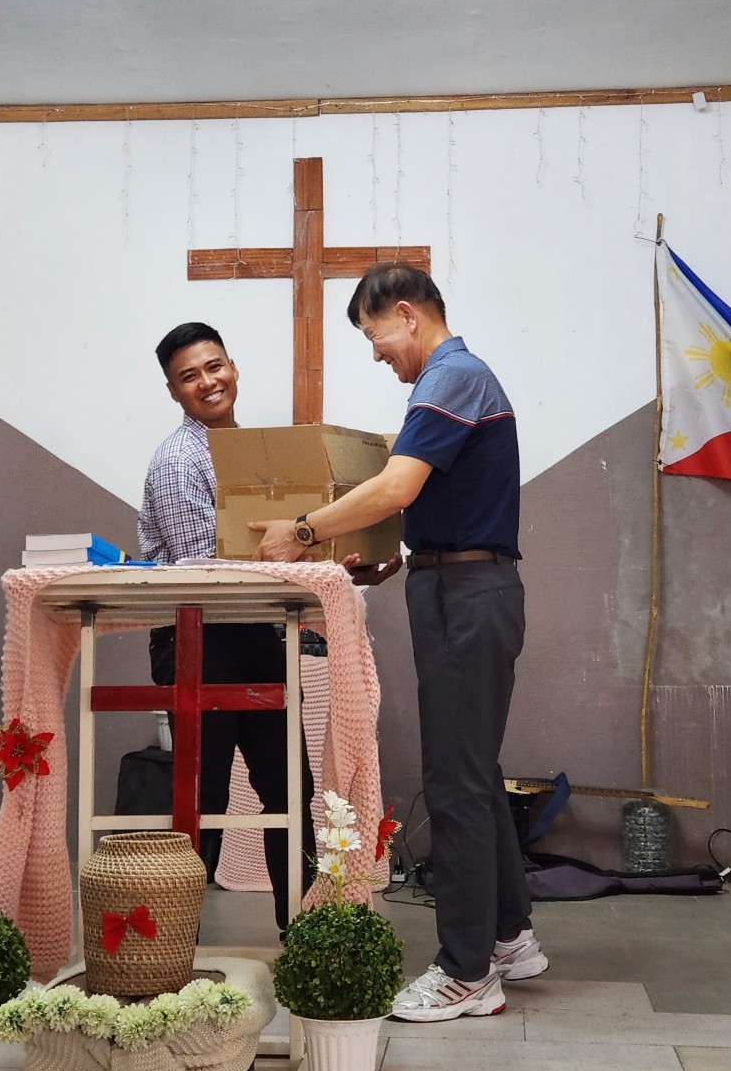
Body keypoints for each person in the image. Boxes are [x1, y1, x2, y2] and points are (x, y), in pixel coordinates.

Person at [251, 263, 547, 1021]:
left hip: (466, 597)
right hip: (454, 582)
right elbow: (435, 496)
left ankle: (467, 972)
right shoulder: (455, 381)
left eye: (374, 335)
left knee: (452, 779)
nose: (377, 353)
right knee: (472, 770)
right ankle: (508, 933)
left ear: (407, 314)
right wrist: (395, 560)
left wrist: (305, 528)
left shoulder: (452, 377)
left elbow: (397, 485)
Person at [138, 321, 315, 932]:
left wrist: (318, 557)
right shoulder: (182, 459)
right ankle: (167, 945)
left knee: (290, 790)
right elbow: (200, 573)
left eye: (215, 367)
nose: (208, 383)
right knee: (202, 797)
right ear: (173, 391)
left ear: (232, 367)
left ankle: (307, 935)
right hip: (198, 637)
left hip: (252, 632)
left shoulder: (248, 452)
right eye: (190, 377)